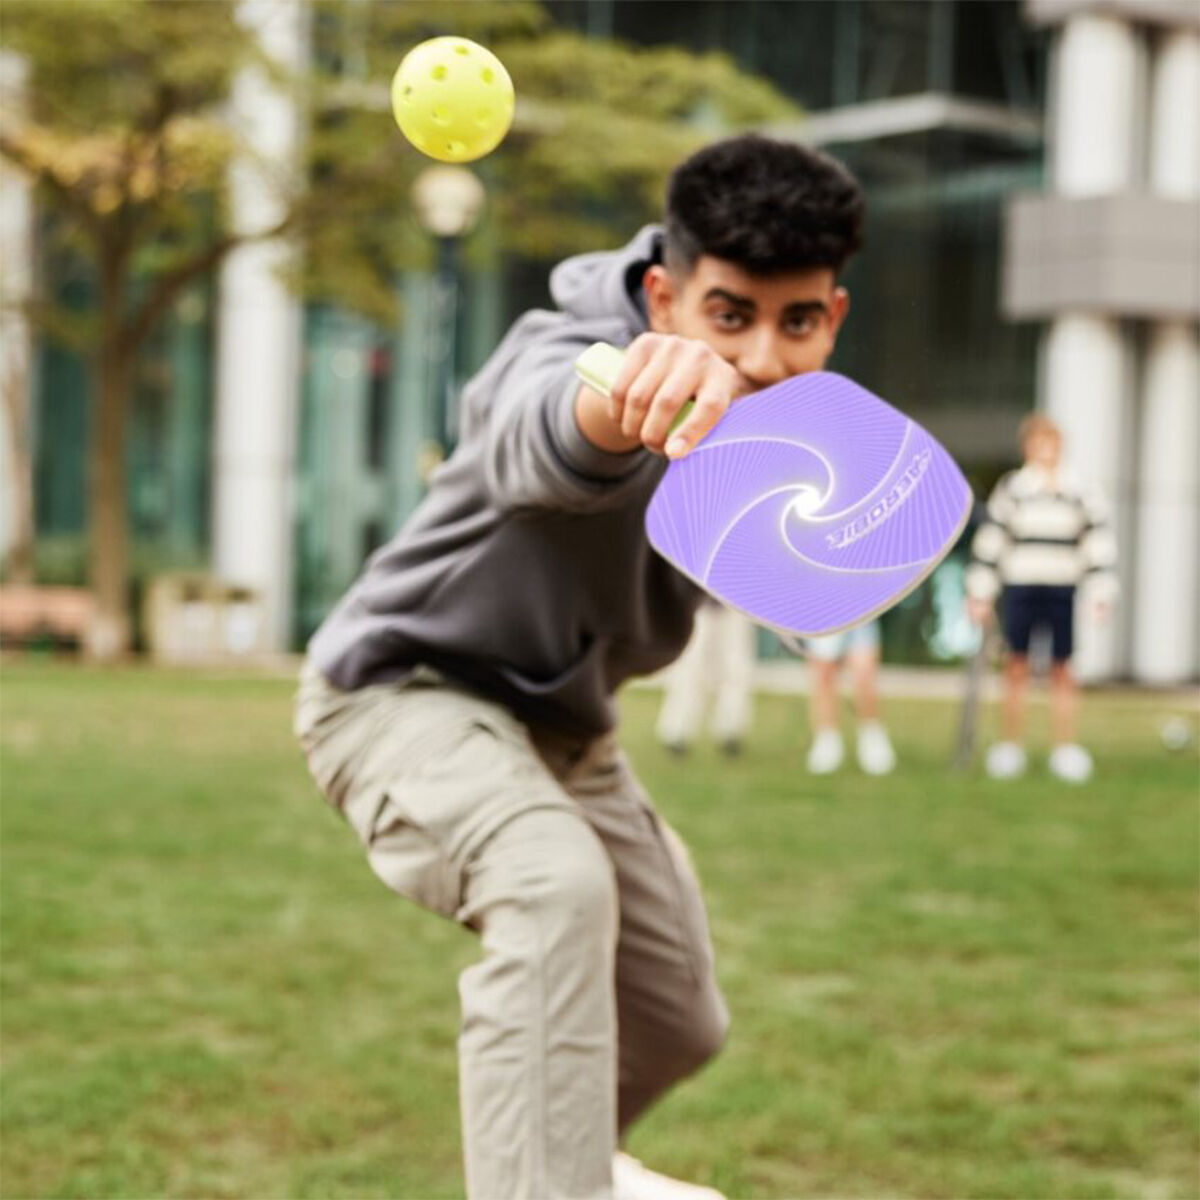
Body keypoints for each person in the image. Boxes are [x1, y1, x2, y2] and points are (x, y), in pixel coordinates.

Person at [293, 134, 863, 1200]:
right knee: (551, 885)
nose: (761, 357)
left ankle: (567, 1168)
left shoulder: (790, 432)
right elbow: (542, 430)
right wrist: (631, 398)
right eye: (729, 314)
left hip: (570, 734)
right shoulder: (569, 346)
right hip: (400, 693)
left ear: (832, 316)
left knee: (676, 1016)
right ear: (663, 294)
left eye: (798, 321)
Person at [965, 413, 1118, 783]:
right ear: (1028, 448)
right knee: (1016, 666)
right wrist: (980, 593)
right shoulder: (1014, 489)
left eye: (1052, 443)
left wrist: (1101, 591)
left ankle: (1065, 748)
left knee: (1062, 668)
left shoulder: (1080, 489)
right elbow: (992, 543)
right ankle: (1010, 746)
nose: (1046, 451)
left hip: (1062, 586)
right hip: (1021, 586)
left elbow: (1097, 543)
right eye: (1039, 443)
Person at [655, 599, 756, 757]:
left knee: (735, 669)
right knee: (689, 669)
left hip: (734, 604)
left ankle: (731, 730)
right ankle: (678, 732)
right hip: (696, 603)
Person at [799, 620, 896, 775]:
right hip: (820, 613)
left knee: (864, 674)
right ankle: (827, 740)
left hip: (860, 612)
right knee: (824, 675)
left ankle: (872, 737)